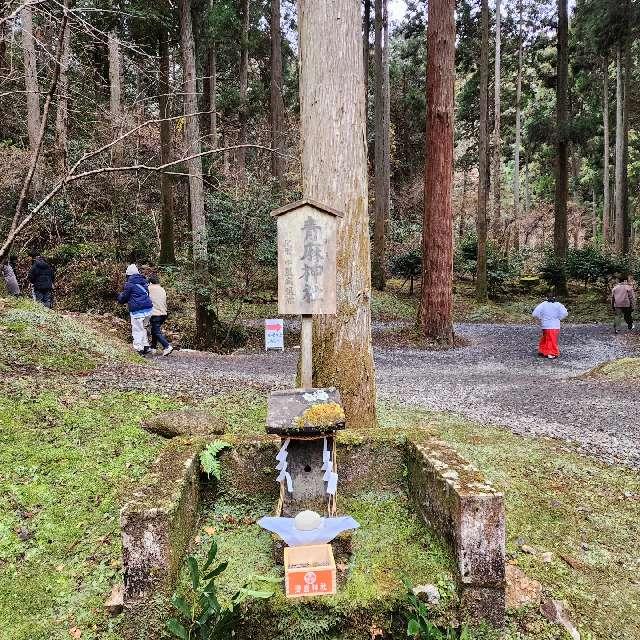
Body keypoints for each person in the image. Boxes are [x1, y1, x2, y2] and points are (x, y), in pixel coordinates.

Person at [117, 264, 154, 355]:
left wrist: (118, 296)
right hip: (149, 309)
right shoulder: (144, 282)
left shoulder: (129, 284)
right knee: (143, 327)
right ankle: (146, 346)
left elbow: (124, 297)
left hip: (137, 311)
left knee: (137, 329)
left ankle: (138, 349)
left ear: (128, 275)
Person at [532, 293, 568, 359]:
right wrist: (559, 318)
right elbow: (565, 313)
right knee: (551, 339)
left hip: (545, 325)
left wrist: (541, 318)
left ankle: (542, 350)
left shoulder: (543, 304)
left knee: (545, 338)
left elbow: (535, 313)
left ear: (547, 298)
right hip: (555, 325)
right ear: (555, 298)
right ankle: (551, 353)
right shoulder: (558, 305)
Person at [148, 274, 173, 356]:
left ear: (151, 282)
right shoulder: (162, 289)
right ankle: (153, 347)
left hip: (156, 313)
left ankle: (167, 346)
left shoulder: (149, 288)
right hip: (163, 313)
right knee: (154, 330)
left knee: (156, 331)